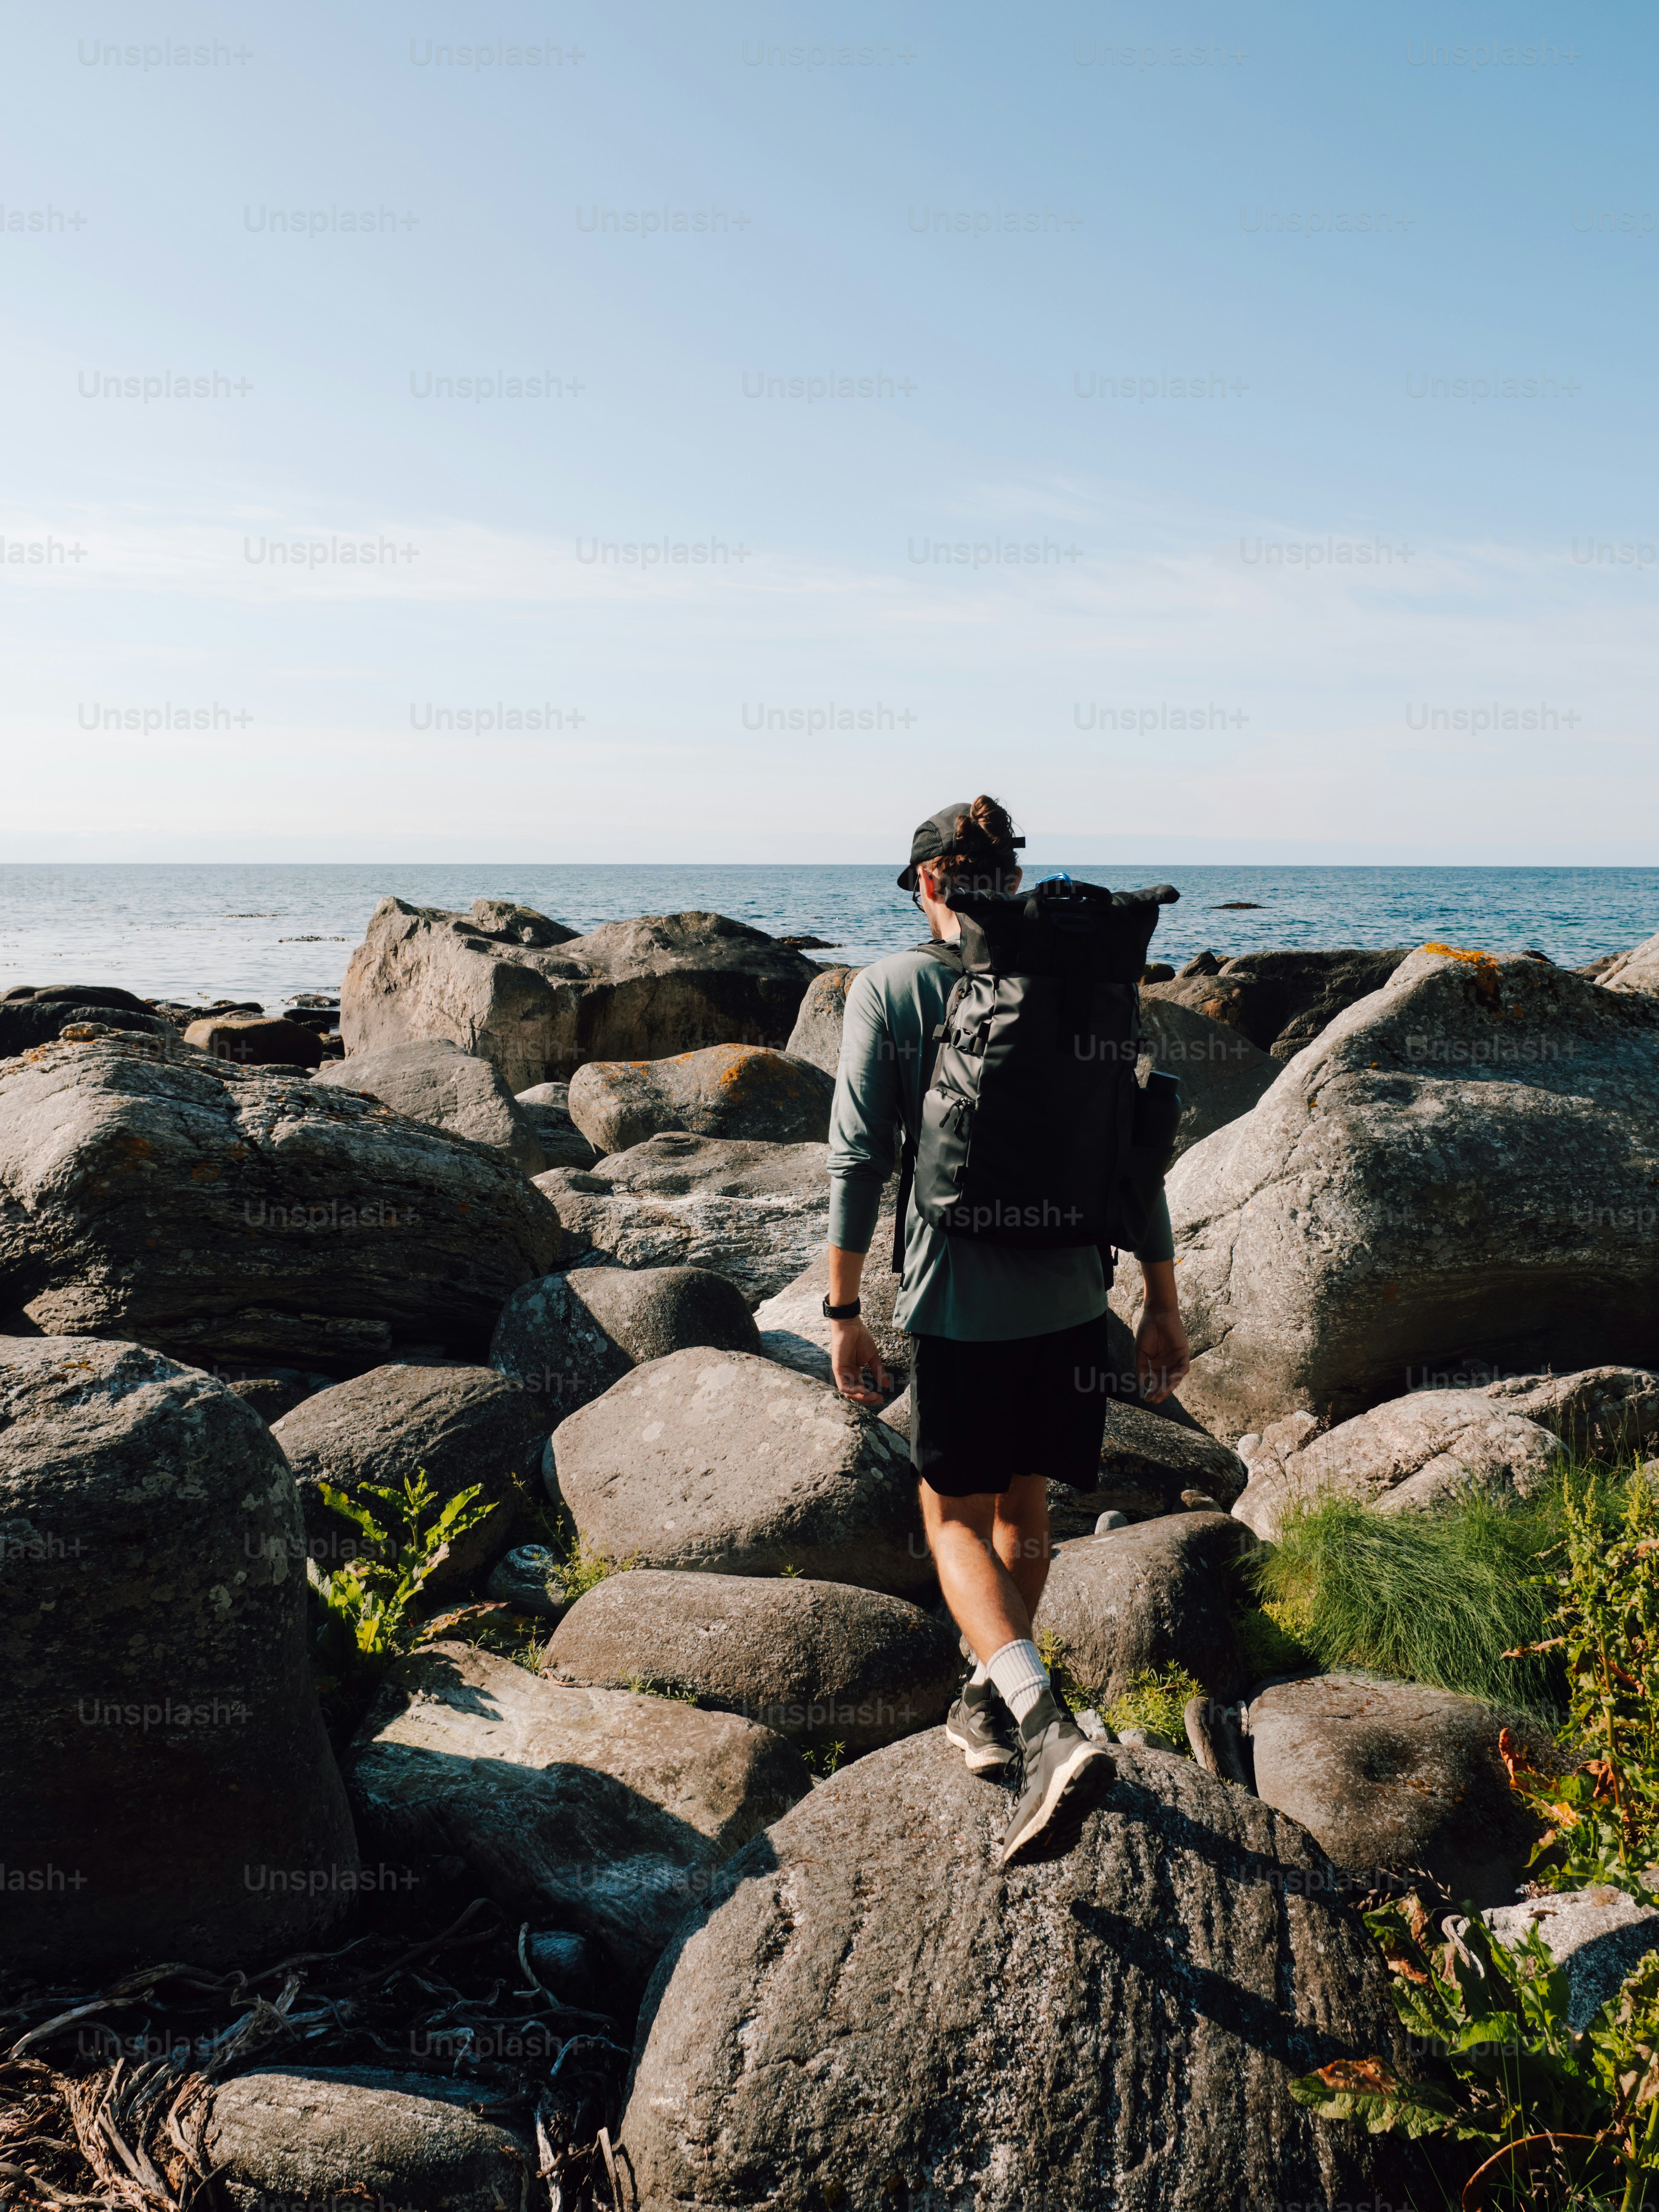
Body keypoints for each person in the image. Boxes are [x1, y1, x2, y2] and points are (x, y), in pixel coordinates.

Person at [824, 796, 1191, 1864]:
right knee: (1023, 1504)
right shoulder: (1081, 984)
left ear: (932, 880)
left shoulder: (891, 988)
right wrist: (1161, 1306)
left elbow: (858, 1159)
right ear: (1008, 878)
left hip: (960, 1301)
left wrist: (844, 1311)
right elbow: (1137, 1157)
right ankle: (987, 1699)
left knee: (949, 1521)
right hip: (1076, 1298)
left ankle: (1040, 1725)